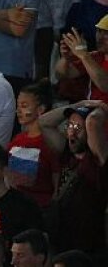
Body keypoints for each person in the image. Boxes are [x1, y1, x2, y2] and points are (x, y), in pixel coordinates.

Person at [45, 100, 108, 253]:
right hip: (61, 236)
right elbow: (44, 122)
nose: (72, 133)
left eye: (79, 128)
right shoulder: (67, 154)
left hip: (88, 241)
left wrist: (101, 107)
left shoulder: (97, 159)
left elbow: (93, 123)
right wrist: (80, 104)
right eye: (70, 126)